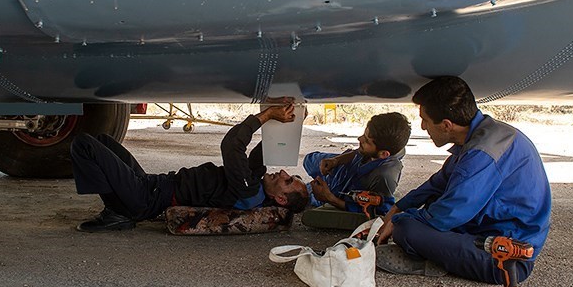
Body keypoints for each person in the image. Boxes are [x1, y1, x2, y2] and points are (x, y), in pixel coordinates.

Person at [375, 76, 552, 285]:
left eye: (426, 120)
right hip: (488, 227)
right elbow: (438, 183)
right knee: (424, 208)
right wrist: (398, 207)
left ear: (447, 125)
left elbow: (448, 214)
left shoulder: (481, 154)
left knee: (408, 230)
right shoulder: (484, 135)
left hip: (505, 258)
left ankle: (428, 262)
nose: (423, 127)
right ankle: (436, 252)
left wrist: (399, 221)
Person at [71, 98, 310, 232]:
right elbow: (263, 150)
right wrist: (294, 119)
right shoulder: (255, 181)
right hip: (152, 184)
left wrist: (267, 115)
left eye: (288, 181)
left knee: (84, 144)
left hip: (144, 199)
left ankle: (116, 212)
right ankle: (118, 209)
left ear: (280, 199)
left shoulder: (248, 191)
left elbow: (231, 145)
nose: (283, 172)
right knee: (102, 141)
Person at [303, 112, 411, 217]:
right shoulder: (386, 146)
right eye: (364, 134)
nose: (359, 139)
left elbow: (379, 211)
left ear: (383, 154)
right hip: (349, 168)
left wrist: (330, 198)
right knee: (309, 160)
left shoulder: (384, 176)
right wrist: (336, 160)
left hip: (345, 190)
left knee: (305, 193)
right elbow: (358, 152)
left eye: (367, 140)